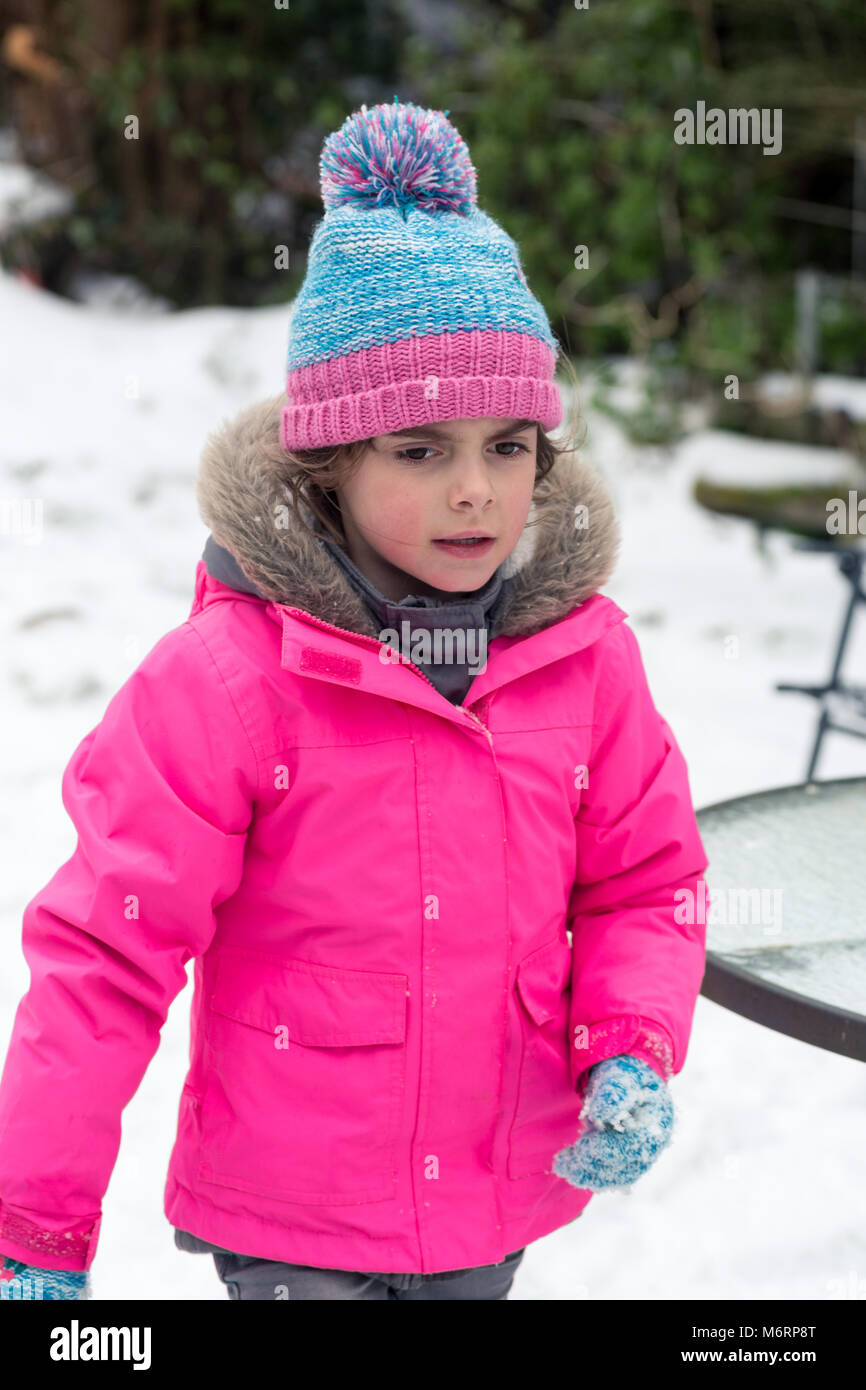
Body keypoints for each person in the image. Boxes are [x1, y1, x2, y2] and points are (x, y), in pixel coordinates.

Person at [0, 98, 709, 1302]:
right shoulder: (226, 684)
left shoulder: (583, 665)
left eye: (507, 445)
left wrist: (630, 1041)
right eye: (419, 450)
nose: (476, 492)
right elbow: (106, 954)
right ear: (331, 462)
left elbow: (644, 877)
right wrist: (33, 1226)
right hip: (293, 1224)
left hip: (495, 1201)